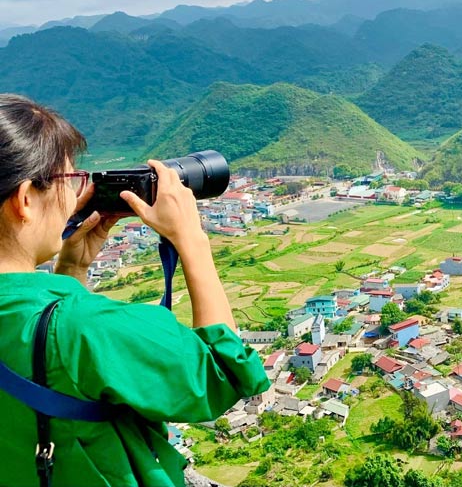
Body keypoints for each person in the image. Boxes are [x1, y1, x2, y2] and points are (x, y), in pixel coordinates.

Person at [0, 94, 270, 486]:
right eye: (69, 180)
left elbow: (48, 370)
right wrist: (191, 239)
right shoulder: (84, 326)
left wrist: (73, 268)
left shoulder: (53, 323)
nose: (75, 196)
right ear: (25, 199)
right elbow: (221, 375)